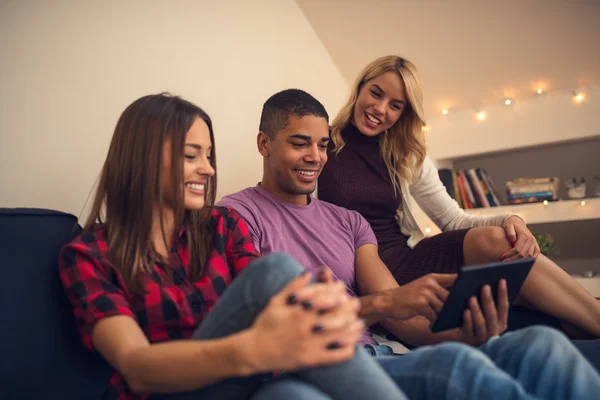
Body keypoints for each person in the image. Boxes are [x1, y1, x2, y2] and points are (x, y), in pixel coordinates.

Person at [218, 88, 600, 399]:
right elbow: (269, 321)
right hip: (319, 363)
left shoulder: (349, 221)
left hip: (382, 352)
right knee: (454, 368)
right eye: (300, 144)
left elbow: (405, 322)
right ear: (264, 144)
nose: (315, 157)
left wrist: (468, 334)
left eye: (321, 145)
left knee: (541, 343)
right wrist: (388, 303)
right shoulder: (234, 214)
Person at [58, 93, 411, 400]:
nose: (208, 170)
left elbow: (272, 306)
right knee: (275, 270)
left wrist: (317, 311)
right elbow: (136, 367)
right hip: (164, 392)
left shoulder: (223, 226)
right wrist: (252, 350)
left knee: (292, 395)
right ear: (143, 159)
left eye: (209, 156)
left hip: (242, 383)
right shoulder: (89, 256)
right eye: (191, 156)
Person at [316, 55, 600, 339]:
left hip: (411, 258)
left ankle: (592, 318)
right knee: (526, 302)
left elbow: (453, 219)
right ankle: (573, 322)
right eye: (375, 94)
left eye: (395, 105)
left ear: (404, 113)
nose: (379, 109)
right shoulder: (320, 146)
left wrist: (511, 219)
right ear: (360, 88)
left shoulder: (405, 154)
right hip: (367, 271)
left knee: (497, 240)